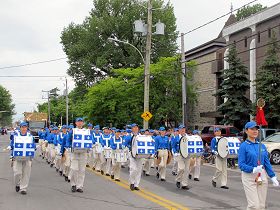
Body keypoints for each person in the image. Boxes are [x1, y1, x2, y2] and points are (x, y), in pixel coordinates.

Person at [238, 121, 279, 210]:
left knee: (261, 206)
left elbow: (267, 163)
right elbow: (241, 165)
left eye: (256, 129)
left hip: (262, 176)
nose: (255, 131)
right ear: (246, 131)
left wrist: (272, 176)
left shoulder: (262, 146)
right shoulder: (243, 146)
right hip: (249, 176)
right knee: (254, 206)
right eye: (252, 129)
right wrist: (253, 169)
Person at [62, 118, 92, 193]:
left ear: (83, 123)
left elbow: (91, 139)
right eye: (78, 122)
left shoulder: (86, 131)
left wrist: (90, 145)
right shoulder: (73, 131)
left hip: (83, 152)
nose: (80, 123)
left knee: (82, 170)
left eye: (81, 122)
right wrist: (69, 146)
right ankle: (73, 184)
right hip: (74, 152)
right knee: (74, 169)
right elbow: (68, 140)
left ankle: (79, 186)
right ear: (76, 123)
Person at [10, 122, 35, 195]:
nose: (24, 128)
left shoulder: (30, 136)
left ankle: (23, 188)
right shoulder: (15, 136)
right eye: (22, 127)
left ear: (27, 128)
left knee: (26, 173)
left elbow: (32, 145)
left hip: (27, 157)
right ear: (20, 128)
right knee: (17, 173)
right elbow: (12, 144)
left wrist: (34, 147)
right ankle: (17, 184)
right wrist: (11, 149)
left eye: (25, 127)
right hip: (17, 157)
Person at [124, 123, 143, 191]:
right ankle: (132, 182)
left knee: (139, 170)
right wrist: (130, 147)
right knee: (133, 169)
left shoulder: (141, 136)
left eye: (136, 127)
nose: (135, 128)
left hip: (140, 155)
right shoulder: (129, 136)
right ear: (131, 129)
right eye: (134, 127)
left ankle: (136, 184)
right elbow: (124, 145)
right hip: (131, 154)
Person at [171, 125, 190, 190]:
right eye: (181, 129)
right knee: (181, 168)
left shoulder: (188, 137)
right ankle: (178, 179)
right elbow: (173, 146)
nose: (182, 130)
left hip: (187, 155)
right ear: (179, 130)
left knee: (187, 170)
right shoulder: (176, 137)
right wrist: (175, 152)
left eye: (183, 129)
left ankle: (184, 184)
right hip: (179, 154)